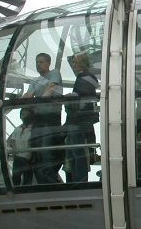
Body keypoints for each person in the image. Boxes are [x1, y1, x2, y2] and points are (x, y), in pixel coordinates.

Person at [23, 53, 63, 184]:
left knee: (46, 149)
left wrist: (38, 101)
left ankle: (49, 181)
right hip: (38, 119)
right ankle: (41, 180)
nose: (38, 64)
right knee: (36, 151)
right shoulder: (35, 81)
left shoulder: (55, 73)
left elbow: (50, 89)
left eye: (41, 62)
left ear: (48, 63)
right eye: (37, 62)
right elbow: (29, 95)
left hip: (51, 119)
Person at [64, 52, 99, 183]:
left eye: (76, 62)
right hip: (82, 119)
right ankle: (77, 179)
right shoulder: (87, 78)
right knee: (75, 151)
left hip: (79, 119)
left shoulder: (83, 78)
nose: (74, 65)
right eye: (73, 62)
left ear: (83, 62)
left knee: (76, 152)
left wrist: (71, 96)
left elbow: (82, 99)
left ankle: (79, 180)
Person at [7, 107, 35, 185]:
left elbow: (33, 141)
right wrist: (14, 149)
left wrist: (30, 152)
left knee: (27, 177)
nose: (24, 116)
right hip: (18, 156)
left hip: (27, 157)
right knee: (16, 176)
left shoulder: (32, 129)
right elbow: (12, 140)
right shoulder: (17, 129)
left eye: (27, 114)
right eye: (23, 114)